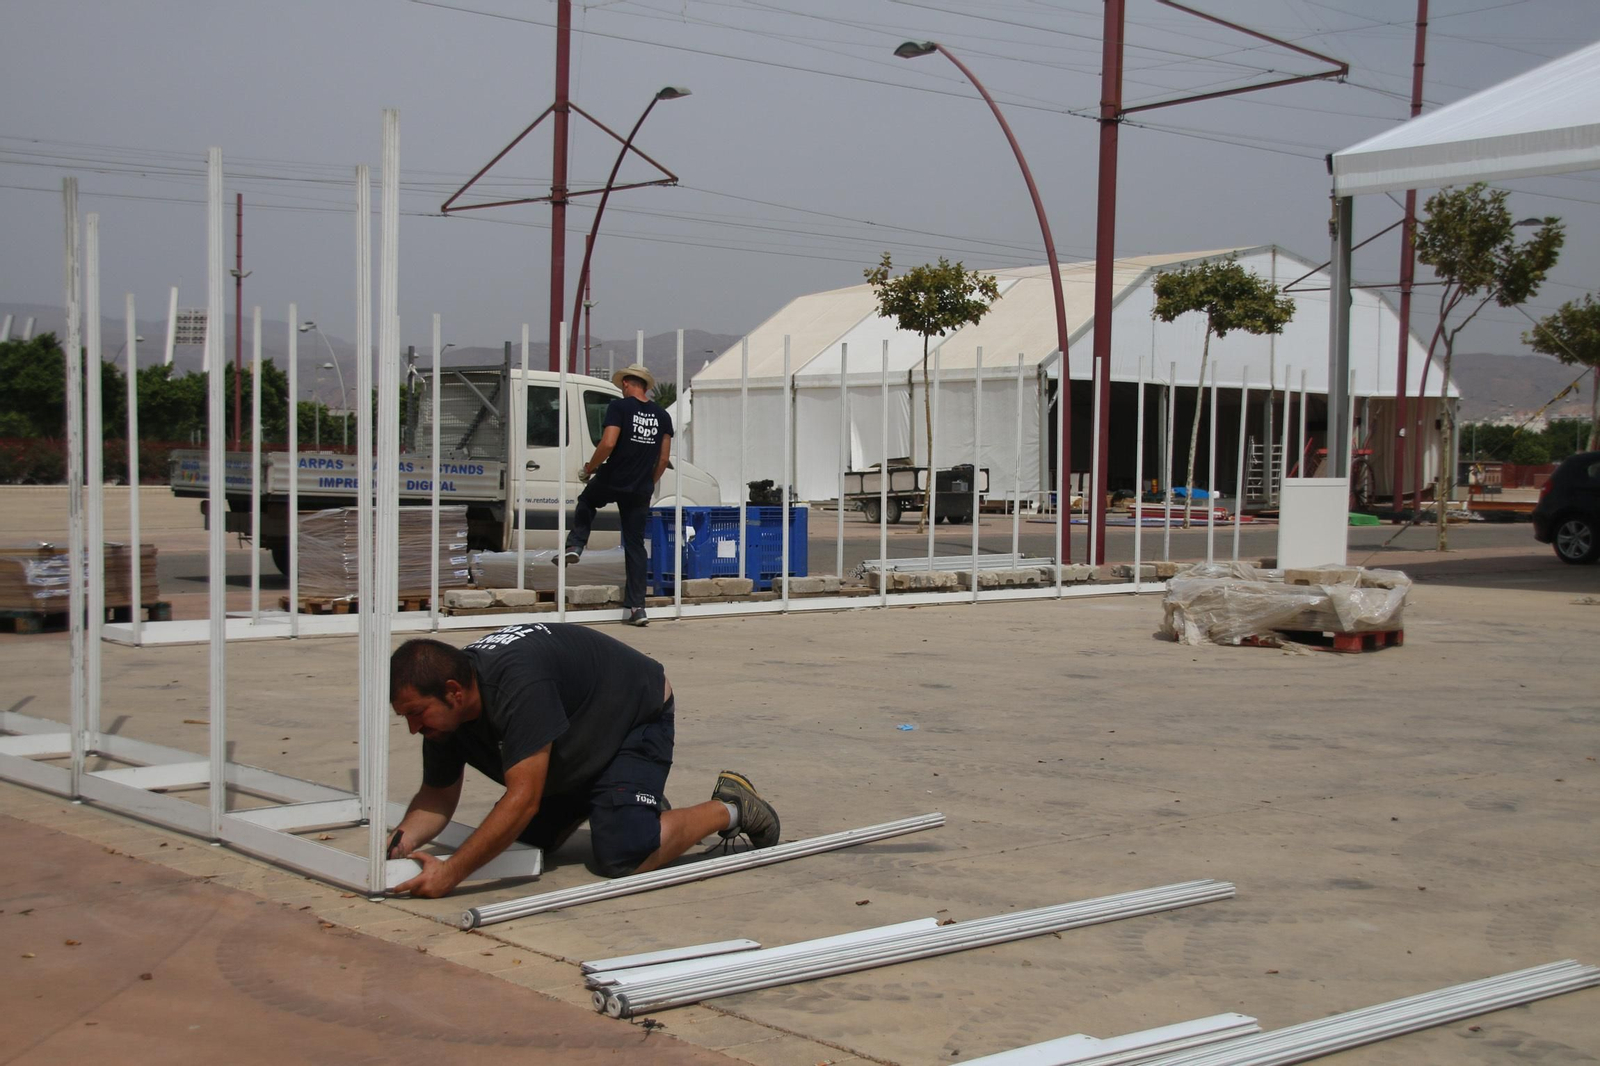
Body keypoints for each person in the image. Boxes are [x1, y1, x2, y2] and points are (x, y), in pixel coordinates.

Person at [387, 624, 779, 899]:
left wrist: (451, 874)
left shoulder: (515, 687)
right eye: (406, 717)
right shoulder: (444, 718)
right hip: (577, 736)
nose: (413, 727)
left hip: (633, 713)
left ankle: (732, 806)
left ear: (454, 692)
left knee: (625, 853)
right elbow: (436, 797)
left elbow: (523, 799)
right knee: (525, 844)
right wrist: (396, 849)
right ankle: (629, 804)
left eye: (416, 714)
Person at [562, 362, 672, 627]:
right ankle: (637, 608)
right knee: (634, 546)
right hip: (640, 487)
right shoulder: (662, 415)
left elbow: (609, 442)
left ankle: (576, 544)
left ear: (626, 383)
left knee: (588, 500)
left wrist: (590, 467)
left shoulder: (619, 407)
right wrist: (648, 481)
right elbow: (664, 458)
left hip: (613, 477)